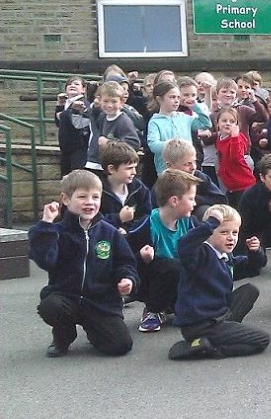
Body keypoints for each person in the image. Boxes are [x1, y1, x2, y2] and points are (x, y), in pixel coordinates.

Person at [30, 170, 137, 357]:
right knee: (51, 306)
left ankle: (95, 330)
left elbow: (126, 262)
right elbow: (45, 260)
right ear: (65, 199)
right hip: (67, 297)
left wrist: (127, 278)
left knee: (120, 346)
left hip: (100, 302)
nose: (90, 202)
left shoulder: (110, 232)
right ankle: (64, 333)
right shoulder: (58, 231)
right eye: (82, 196)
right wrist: (46, 224)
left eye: (95, 197)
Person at [168, 205, 269, 360]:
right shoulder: (199, 254)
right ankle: (206, 348)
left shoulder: (224, 256)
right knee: (262, 339)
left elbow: (251, 268)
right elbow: (185, 245)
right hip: (201, 324)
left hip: (218, 315)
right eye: (224, 232)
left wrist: (255, 252)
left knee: (250, 290)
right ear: (208, 234)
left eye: (235, 232)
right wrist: (210, 224)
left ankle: (213, 338)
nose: (231, 237)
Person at [126, 169, 199, 333]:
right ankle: (153, 310)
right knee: (172, 266)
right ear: (174, 201)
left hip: (181, 281)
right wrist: (141, 257)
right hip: (150, 282)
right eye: (191, 199)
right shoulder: (146, 226)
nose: (195, 203)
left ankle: (175, 305)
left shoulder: (189, 222)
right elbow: (125, 260)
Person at [147, 80, 212, 176]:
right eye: (172, 97)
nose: (176, 100)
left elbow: (206, 124)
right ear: (159, 99)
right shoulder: (155, 122)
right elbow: (153, 145)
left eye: (178, 97)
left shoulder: (184, 117)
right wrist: (175, 145)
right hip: (167, 172)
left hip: (188, 169)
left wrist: (195, 106)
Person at [83, 81, 141, 174]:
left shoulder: (123, 121)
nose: (109, 105)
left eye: (114, 101)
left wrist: (109, 143)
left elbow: (134, 144)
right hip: (100, 163)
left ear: (122, 102)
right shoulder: (103, 116)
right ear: (99, 100)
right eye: (106, 101)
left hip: (116, 168)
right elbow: (92, 117)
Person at [162, 138, 228, 219]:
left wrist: (193, 199)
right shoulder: (162, 185)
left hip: (198, 221)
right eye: (187, 164)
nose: (193, 167)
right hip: (172, 223)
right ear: (170, 166)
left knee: (204, 211)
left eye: (194, 162)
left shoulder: (199, 177)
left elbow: (221, 199)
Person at [98, 140, 151, 233]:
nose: (134, 172)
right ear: (111, 169)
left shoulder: (139, 188)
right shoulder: (97, 191)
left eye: (135, 167)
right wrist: (119, 218)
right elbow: (94, 220)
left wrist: (128, 229)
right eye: (129, 168)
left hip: (133, 239)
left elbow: (146, 216)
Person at [214, 107, 256, 207]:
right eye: (224, 121)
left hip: (244, 184)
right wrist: (221, 171)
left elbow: (235, 157)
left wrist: (234, 138)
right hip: (231, 185)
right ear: (218, 124)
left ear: (236, 125)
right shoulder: (220, 139)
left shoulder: (238, 139)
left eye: (232, 121)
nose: (228, 123)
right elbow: (222, 157)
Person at [56, 76, 91, 175]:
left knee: (77, 178)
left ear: (83, 89)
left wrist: (63, 114)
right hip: (66, 149)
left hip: (79, 148)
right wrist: (59, 105)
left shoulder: (83, 103)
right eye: (69, 84)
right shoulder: (66, 104)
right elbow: (58, 122)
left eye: (76, 84)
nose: (72, 86)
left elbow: (78, 123)